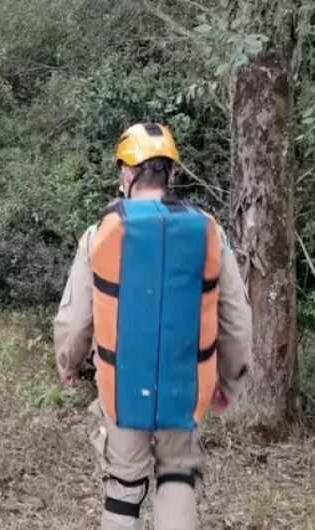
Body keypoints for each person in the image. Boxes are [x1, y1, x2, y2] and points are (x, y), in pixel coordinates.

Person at [53, 123, 252, 530]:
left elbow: (74, 321)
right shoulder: (209, 231)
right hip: (187, 382)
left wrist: (68, 364)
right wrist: (229, 381)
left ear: (126, 173)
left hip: (121, 386)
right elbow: (236, 318)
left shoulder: (100, 234)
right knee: (178, 475)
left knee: (124, 485)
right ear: (171, 172)